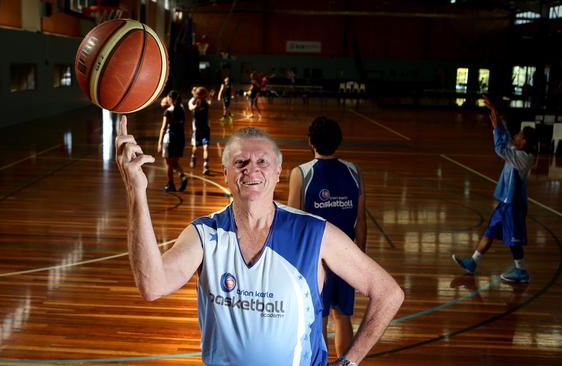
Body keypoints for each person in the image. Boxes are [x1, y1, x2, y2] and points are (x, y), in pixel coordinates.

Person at [115, 123, 404, 365]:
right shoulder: (206, 234)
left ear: (279, 170)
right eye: (241, 162)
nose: (251, 170)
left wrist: (348, 362)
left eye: (262, 162)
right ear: (226, 171)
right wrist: (136, 191)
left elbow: (388, 293)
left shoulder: (315, 233)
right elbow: (152, 286)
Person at [287, 117, 367, 365]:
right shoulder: (354, 171)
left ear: (310, 141)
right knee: (343, 317)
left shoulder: (301, 173)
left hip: (315, 260)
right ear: (338, 142)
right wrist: (359, 259)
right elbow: (361, 220)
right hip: (347, 257)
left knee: (318, 318)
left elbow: (293, 221)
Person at [452, 95, 537, 283]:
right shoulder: (518, 151)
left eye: (519, 135)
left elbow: (501, 148)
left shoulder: (523, 158)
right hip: (505, 203)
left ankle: (521, 270)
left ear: (524, 142)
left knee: (513, 240)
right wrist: (495, 114)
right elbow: (506, 138)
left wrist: (497, 128)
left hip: (514, 205)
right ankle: (473, 261)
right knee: (489, 232)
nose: (516, 136)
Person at [157, 90, 188, 192]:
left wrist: (159, 142)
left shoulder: (168, 112)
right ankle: (182, 176)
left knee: (169, 163)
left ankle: (171, 184)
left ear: (170, 99)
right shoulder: (182, 109)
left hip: (170, 139)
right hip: (180, 138)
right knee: (175, 162)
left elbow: (163, 128)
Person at [188, 86, 213, 175]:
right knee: (196, 147)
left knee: (206, 147)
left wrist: (210, 96)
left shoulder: (205, 101)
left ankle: (205, 166)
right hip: (197, 129)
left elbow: (210, 103)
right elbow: (190, 107)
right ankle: (193, 156)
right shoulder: (192, 101)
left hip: (205, 128)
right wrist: (196, 106)